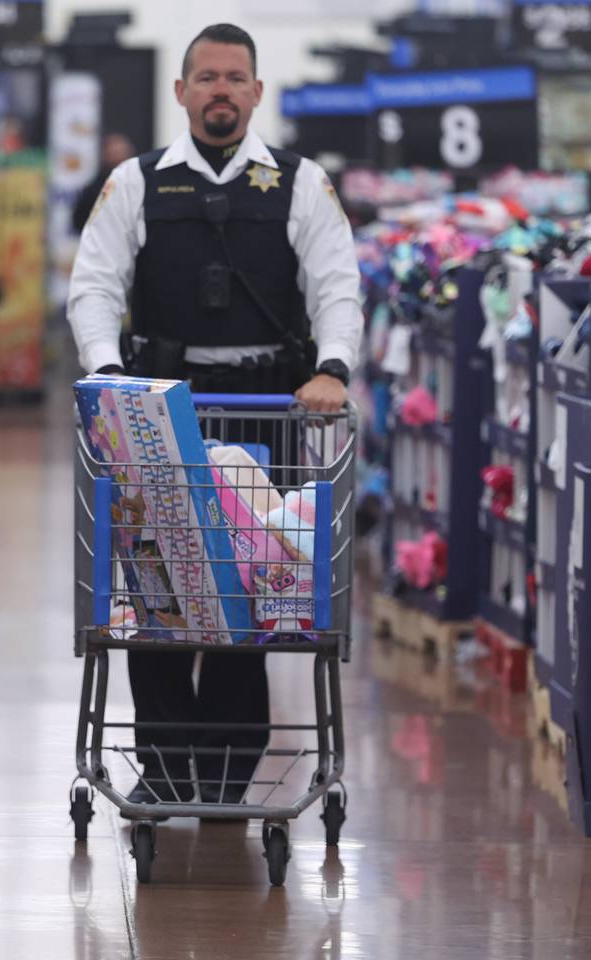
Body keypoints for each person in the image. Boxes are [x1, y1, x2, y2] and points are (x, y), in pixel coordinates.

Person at [67, 23, 363, 810]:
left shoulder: (300, 184)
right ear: (183, 91)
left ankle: (232, 775)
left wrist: (332, 368)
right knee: (156, 600)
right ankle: (164, 770)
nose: (221, 90)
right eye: (207, 77)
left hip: (272, 415)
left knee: (255, 598)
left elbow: (338, 284)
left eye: (236, 77)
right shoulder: (137, 182)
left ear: (258, 91)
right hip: (157, 420)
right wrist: (105, 371)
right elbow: (93, 283)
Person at [72, 133, 137, 234]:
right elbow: (79, 221)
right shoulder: (94, 189)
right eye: (112, 154)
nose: (117, 159)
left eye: (119, 154)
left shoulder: (140, 183)